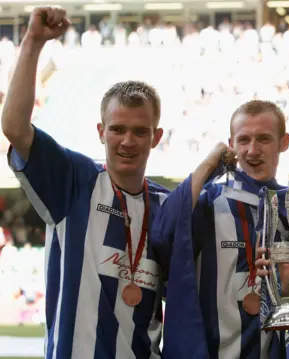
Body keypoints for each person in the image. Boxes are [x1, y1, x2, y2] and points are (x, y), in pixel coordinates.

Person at [2, 7, 168, 359]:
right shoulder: (74, 179)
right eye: (117, 129)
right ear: (100, 132)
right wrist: (32, 42)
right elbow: (15, 129)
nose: (127, 141)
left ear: (156, 138)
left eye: (140, 131)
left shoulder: (169, 206)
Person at [151, 100, 289, 358]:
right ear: (231, 145)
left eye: (264, 139)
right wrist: (208, 165)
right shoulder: (210, 201)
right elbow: (163, 237)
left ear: (284, 142)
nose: (253, 150)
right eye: (243, 140)